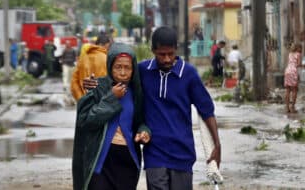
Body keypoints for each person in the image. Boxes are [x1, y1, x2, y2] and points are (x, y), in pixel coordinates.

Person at [85, 26, 221, 190]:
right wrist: (95, 84)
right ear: (153, 50)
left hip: (183, 154)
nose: (166, 59)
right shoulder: (143, 71)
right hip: (154, 153)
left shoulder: (189, 74)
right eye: (161, 54)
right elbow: (118, 77)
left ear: (176, 49)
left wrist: (217, 145)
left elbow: (207, 111)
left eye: (170, 54)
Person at [72, 44, 151, 190]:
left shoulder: (136, 93)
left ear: (133, 69)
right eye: (118, 67)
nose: (122, 72)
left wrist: (144, 131)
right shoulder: (98, 88)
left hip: (127, 162)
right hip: (101, 162)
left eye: (127, 68)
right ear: (109, 67)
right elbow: (86, 122)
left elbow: (140, 121)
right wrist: (112, 98)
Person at [71, 34, 111, 101]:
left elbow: (74, 83)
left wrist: (81, 99)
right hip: (101, 103)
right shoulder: (107, 59)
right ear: (102, 44)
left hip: (84, 101)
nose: (108, 48)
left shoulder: (83, 58)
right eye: (108, 46)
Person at [283, 44, 304, 113]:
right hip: (293, 71)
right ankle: (292, 107)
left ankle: (287, 107)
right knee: (294, 90)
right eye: (300, 48)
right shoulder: (298, 54)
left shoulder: (290, 54)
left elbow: (289, 63)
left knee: (288, 90)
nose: (301, 50)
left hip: (287, 70)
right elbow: (298, 64)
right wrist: (304, 65)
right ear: (298, 48)